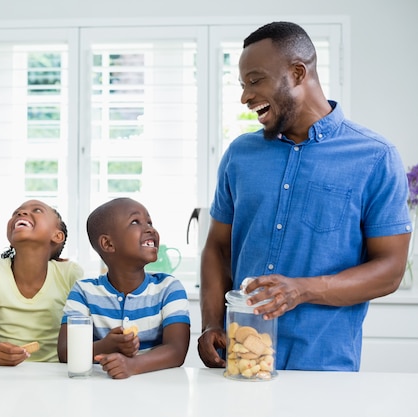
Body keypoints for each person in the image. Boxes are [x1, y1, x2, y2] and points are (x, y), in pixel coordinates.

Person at [197, 21, 413, 371]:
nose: (245, 96)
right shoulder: (240, 155)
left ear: (298, 72)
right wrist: (210, 323)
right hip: (241, 363)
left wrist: (302, 289)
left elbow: (389, 270)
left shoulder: (375, 156)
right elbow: (217, 248)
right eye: (242, 85)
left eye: (255, 80)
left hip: (324, 368)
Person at [58, 197, 190, 379]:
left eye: (150, 222)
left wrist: (132, 365)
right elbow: (65, 352)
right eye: (135, 222)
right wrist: (106, 345)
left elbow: (177, 351)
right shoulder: (83, 292)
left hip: (157, 393)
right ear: (108, 244)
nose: (150, 228)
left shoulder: (168, 288)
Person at [0, 200, 83, 365]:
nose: (21, 213)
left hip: (55, 374)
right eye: (16, 212)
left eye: (37, 210)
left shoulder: (69, 273)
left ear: (57, 236)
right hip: (2, 373)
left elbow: (84, 333)